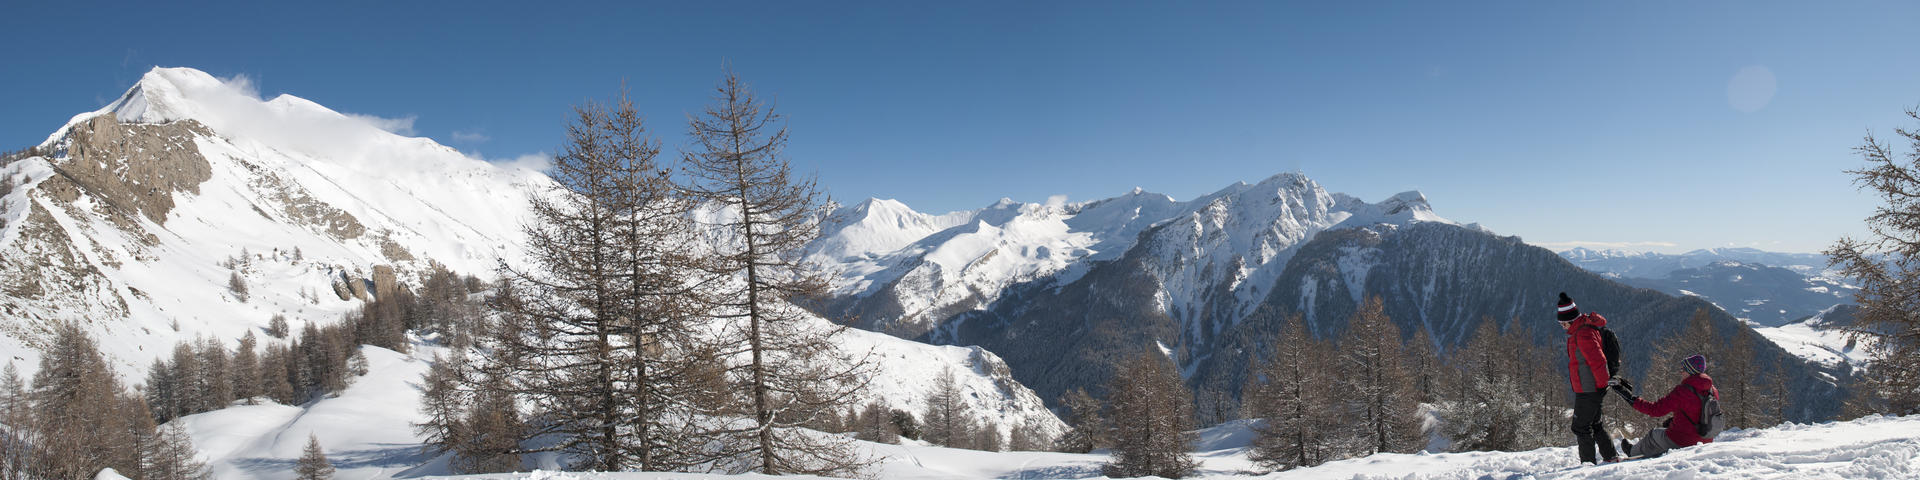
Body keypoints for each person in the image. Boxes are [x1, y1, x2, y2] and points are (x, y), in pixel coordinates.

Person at [1611, 354, 1718, 458]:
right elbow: (1698, 411)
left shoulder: (1683, 390)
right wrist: (1674, 420)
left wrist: (1631, 398)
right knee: (1667, 430)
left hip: (1684, 441)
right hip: (1706, 440)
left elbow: (1656, 410)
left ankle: (1632, 452)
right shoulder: (1712, 390)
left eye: (1683, 369)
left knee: (1654, 435)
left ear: (1691, 371)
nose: (1680, 372)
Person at [1559, 292, 1621, 464]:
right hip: (1590, 387)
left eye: (1562, 323)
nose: (1561, 326)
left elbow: (1598, 361)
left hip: (1589, 389)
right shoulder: (1581, 330)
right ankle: (1611, 457)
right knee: (1595, 424)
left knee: (1580, 427)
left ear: (1570, 320)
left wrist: (1601, 387)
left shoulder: (1583, 334)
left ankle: (1587, 465)